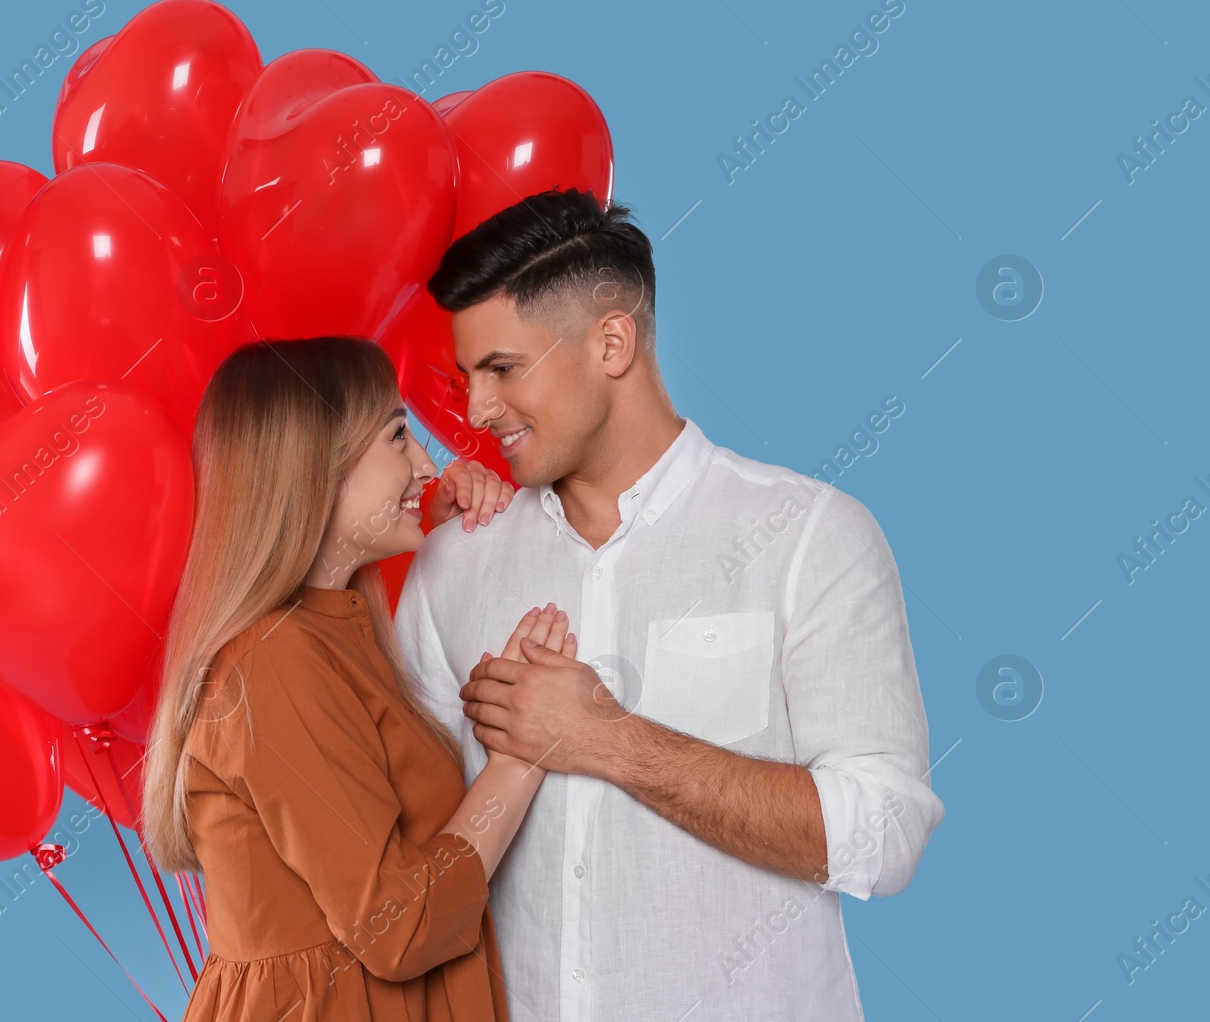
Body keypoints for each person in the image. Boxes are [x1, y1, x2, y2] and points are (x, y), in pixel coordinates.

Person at [394, 188, 946, 1021]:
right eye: (465, 377)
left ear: (612, 341)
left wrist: (608, 739)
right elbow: (403, 856)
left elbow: (884, 832)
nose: (474, 410)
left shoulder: (807, 537)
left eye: (502, 369)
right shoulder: (453, 567)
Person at [142, 335, 567, 1022]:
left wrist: (440, 520)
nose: (426, 463)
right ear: (316, 466)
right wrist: (520, 756)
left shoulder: (332, 629)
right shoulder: (275, 664)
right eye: (398, 437)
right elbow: (397, 927)